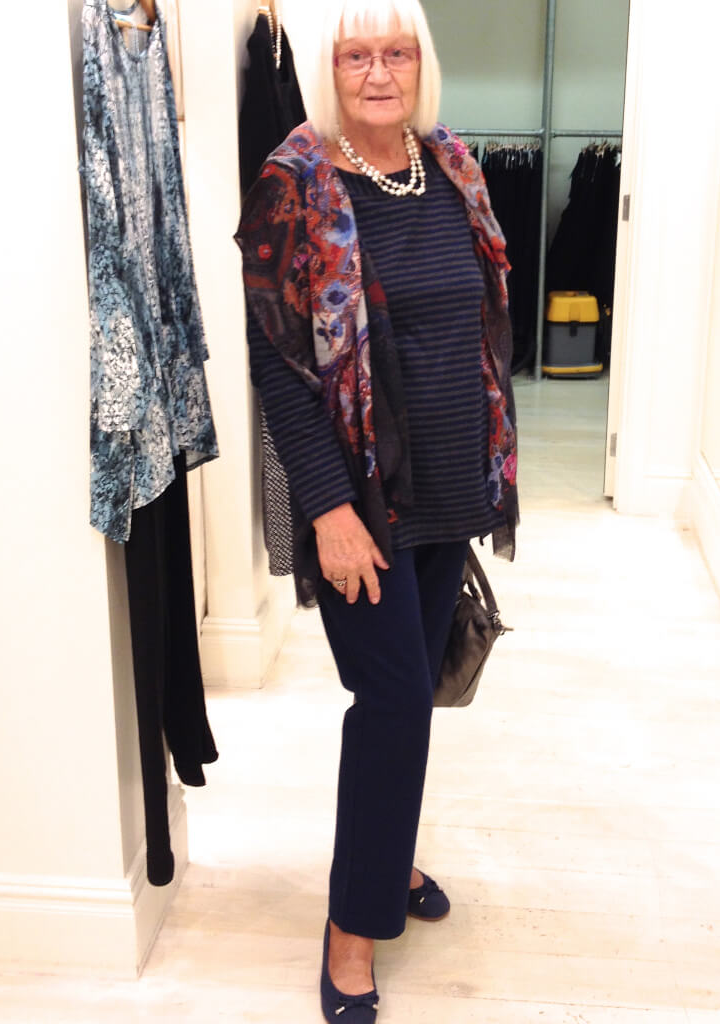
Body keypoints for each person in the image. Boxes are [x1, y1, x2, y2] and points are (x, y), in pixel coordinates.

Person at [235, 0, 518, 1019]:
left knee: (415, 696)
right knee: (391, 702)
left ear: (420, 62)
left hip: (448, 488)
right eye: (356, 54)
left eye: (396, 51)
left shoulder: (452, 165)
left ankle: (387, 860)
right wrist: (327, 508)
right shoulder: (293, 183)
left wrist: (487, 467)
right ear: (330, 67)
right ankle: (352, 930)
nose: (378, 72)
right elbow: (278, 364)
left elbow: (477, 324)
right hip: (360, 505)